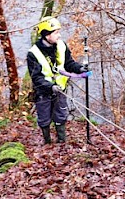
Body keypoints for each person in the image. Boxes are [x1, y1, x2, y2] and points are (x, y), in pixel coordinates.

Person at [27, 16, 88, 144]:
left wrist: (80, 69)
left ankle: (61, 141)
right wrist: (50, 87)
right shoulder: (33, 53)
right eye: (56, 33)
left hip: (60, 90)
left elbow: (69, 63)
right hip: (43, 92)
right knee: (44, 118)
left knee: (61, 115)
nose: (59, 36)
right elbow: (36, 77)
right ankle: (47, 142)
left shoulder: (61, 46)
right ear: (46, 35)